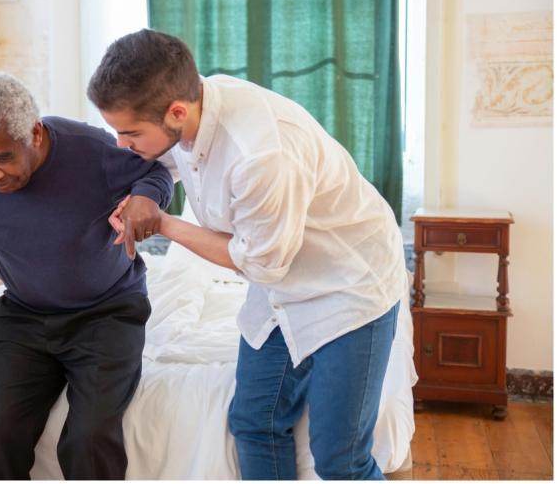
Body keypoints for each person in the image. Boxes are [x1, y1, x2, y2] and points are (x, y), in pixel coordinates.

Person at [88, 29, 408, 480]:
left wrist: (164, 223)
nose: (123, 144)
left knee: (340, 458)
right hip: (281, 285)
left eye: (130, 133)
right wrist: (143, 194)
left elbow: (259, 263)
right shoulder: (195, 106)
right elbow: (164, 163)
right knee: (254, 423)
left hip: (350, 287)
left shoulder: (259, 155)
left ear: (177, 111)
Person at [0, 71, 173, 479]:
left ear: (35, 133)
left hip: (107, 313)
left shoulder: (90, 150)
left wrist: (145, 198)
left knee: (89, 437)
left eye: (3, 158)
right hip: (25, 317)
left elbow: (155, 174)